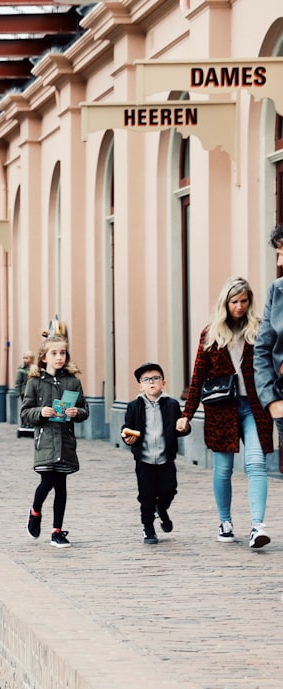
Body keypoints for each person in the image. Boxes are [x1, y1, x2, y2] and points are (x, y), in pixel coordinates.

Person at [177, 276, 272, 548]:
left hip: (255, 407)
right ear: (225, 303)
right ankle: (225, 521)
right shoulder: (211, 334)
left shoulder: (259, 330)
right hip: (222, 410)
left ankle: (257, 526)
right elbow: (198, 377)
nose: (240, 306)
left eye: (244, 301)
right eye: (234, 301)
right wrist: (186, 414)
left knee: (256, 464)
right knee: (224, 469)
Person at [21, 335, 88, 548]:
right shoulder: (34, 382)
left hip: (65, 441)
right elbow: (25, 412)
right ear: (43, 357)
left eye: (63, 353)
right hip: (45, 441)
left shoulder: (73, 381)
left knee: (61, 486)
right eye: (54, 353)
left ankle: (57, 531)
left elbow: (85, 410)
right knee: (47, 481)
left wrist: (76, 412)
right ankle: (35, 511)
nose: (59, 357)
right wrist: (41, 412)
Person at [121, 363, 190, 544]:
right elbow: (127, 428)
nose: (151, 383)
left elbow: (180, 428)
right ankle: (148, 528)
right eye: (146, 380)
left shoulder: (172, 404)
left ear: (163, 382)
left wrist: (184, 426)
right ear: (140, 385)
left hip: (165, 457)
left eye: (155, 378)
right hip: (143, 459)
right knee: (146, 495)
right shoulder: (134, 406)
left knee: (169, 489)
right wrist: (127, 437)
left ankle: (162, 507)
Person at [254, 225, 283, 442]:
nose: (279, 263)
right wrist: (271, 400)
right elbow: (262, 350)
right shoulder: (277, 290)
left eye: (282, 254)